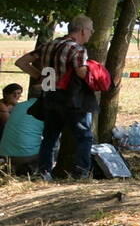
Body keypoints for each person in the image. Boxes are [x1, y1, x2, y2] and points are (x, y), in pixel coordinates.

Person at [16, 14, 95, 180]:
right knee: (84, 136)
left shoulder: (47, 46)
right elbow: (81, 73)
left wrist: (40, 77)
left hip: (49, 98)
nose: (91, 33)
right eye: (90, 30)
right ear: (82, 31)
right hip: (72, 100)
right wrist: (96, 74)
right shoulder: (77, 49)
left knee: (49, 138)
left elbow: (22, 62)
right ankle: (82, 173)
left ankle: (44, 172)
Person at [0, 95, 43, 174]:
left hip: (4, 153)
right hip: (25, 156)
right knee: (52, 145)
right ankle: (38, 169)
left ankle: (16, 166)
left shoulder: (18, 106)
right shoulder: (47, 108)